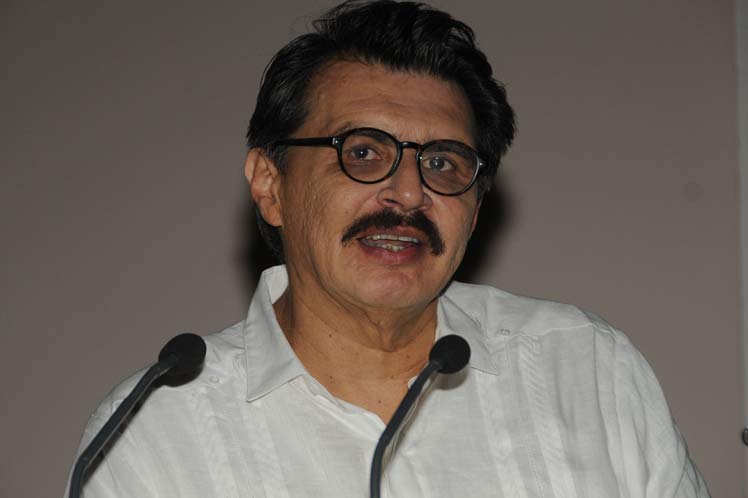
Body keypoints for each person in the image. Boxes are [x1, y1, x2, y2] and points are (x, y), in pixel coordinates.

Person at [69, 1, 710, 496]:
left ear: (476, 207)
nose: (408, 192)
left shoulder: (589, 370)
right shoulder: (153, 430)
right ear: (270, 185)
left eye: (443, 162)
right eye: (364, 152)